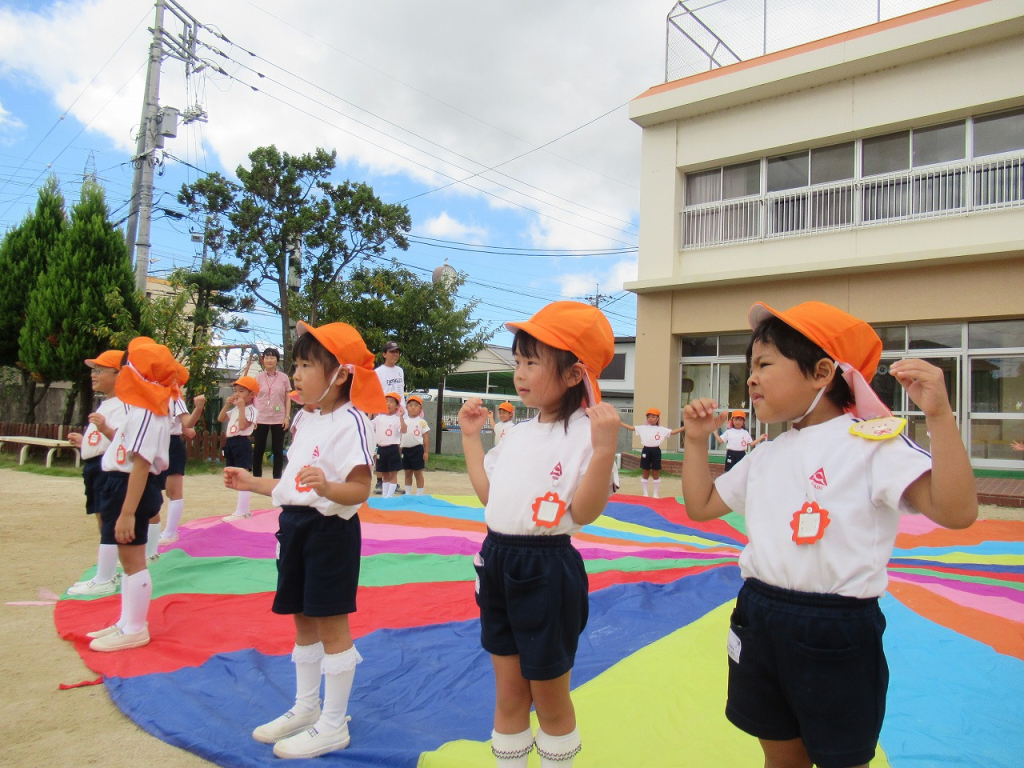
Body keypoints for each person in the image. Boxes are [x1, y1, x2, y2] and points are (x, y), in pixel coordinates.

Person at [681, 300, 977, 768]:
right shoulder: (766, 454)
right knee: (779, 755)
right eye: (749, 366)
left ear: (822, 372)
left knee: (843, 758)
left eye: (764, 364)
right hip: (759, 616)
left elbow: (957, 511)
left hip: (836, 628)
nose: (751, 377)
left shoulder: (870, 442)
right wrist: (696, 442)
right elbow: (701, 506)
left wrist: (940, 417)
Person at [459, 301, 620, 768]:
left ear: (573, 375)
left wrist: (605, 450)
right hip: (497, 561)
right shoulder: (517, 434)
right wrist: (472, 439)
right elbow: (491, 500)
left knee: (549, 698)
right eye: (518, 362)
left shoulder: (587, 433)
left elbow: (584, 513)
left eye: (533, 361)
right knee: (509, 695)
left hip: (547, 568)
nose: (520, 373)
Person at [223, 320, 386, 759]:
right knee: (301, 619)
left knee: (331, 623)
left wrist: (329, 489)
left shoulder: (352, 422)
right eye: (295, 364)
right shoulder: (306, 418)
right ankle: (306, 708)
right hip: (293, 529)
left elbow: (359, 490)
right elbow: (291, 484)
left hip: (329, 533)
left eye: (305, 365)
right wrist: (250, 482)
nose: (295, 374)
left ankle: (334, 723)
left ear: (341, 374)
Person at [85, 341, 178, 651]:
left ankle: (136, 627)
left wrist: (127, 512)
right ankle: (126, 622)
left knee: (133, 559)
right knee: (129, 559)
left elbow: (140, 464)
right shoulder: (142, 408)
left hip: (129, 488)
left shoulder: (149, 412)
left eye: (129, 366)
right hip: (121, 484)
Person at [66, 349, 129, 596]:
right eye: (94, 370)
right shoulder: (107, 403)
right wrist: (85, 442)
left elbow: (123, 441)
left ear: (120, 374)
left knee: (108, 519)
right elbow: (102, 439)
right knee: (101, 517)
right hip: (95, 465)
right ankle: (109, 569)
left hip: (107, 467)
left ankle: (106, 577)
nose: (94, 375)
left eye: (100, 370)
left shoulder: (124, 406)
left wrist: (103, 430)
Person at [158, 370, 205, 545]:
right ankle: (153, 531)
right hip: (155, 443)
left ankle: (170, 532)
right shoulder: (151, 394)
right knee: (153, 489)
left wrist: (198, 408)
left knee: (173, 490)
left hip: (171, 445)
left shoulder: (176, 398)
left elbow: (187, 422)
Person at [619, 408, 684, 498]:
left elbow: (673, 432)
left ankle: (655, 493)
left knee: (655, 470)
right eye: (649, 417)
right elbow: (631, 428)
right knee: (645, 470)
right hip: (646, 450)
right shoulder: (642, 428)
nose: (650, 418)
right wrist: (619, 423)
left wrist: (685, 427)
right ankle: (645, 493)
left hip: (656, 450)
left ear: (657, 418)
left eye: (653, 417)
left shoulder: (661, 429)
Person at [219, 376, 259, 520]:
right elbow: (220, 418)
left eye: (241, 391)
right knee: (234, 475)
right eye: (236, 391)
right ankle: (243, 510)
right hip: (231, 442)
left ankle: (242, 511)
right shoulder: (235, 409)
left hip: (242, 442)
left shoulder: (252, 410)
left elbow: (243, 426)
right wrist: (227, 405)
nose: (237, 394)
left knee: (243, 476)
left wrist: (242, 407)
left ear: (252, 395)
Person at [252, 348, 291, 479]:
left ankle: (277, 479)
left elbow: (288, 398)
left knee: (278, 450)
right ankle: (257, 478)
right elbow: (254, 398)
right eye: (266, 357)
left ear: (277, 360)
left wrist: (287, 417)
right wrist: (253, 418)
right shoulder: (257, 378)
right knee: (258, 449)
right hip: (261, 417)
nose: (269, 360)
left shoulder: (284, 378)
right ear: (263, 360)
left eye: (272, 357)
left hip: (279, 418)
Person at [373, 341, 404, 493]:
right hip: (383, 412)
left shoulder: (400, 371)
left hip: (397, 411)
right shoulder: (379, 372)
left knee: (396, 444)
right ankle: (380, 480)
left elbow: (401, 390)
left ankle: (393, 480)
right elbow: (376, 392)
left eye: (397, 352)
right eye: (391, 352)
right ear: (384, 354)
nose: (395, 354)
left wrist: (402, 408)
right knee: (382, 445)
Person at [373, 392, 406, 498]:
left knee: (392, 473)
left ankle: (390, 496)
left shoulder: (397, 419)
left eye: (391, 402)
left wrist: (401, 417)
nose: (388, 404)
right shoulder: (379, 418)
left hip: (393, 449)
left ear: (397, 406)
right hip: (381, 449)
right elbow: (368, 425)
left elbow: (404, 430)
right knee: (384, 474)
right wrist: (370, 412)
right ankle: (385, 495)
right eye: (386, 401)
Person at [401, 394, 431, 496]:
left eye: (416, 405)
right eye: (410, 405)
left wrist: (426, 452)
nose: (413, 407)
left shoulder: (422, 422)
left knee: (418, 472)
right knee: (407, 472)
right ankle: (408, 493)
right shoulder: (403, 421)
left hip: (417, 449)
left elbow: (426, 437)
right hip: (405, 449)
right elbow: (400, 437)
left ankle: (419, 493)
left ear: (420, 408)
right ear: (407, 408)